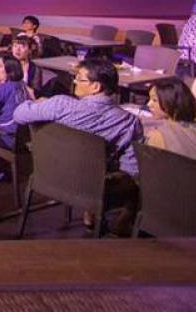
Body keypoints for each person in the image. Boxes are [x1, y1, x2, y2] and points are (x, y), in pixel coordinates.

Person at [12, 58, 141, 235]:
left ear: (96, 87)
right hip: (91, 187)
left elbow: (18, 114)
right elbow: (131, 167)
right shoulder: (129, 121)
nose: (74, 82)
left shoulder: (60, 105)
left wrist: (38, 104)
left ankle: (92, 216)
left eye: (80, 79)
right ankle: (115, 226)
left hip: (48, 176)